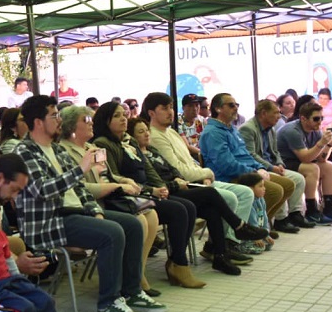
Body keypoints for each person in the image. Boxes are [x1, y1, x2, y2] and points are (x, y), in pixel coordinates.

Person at [14, 95, 162, 312]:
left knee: (131, 224)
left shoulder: (57, 151)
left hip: (74, 213)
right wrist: (80, 169)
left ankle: (131, 291)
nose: (58, 120)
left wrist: (94, 210)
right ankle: (108, 303)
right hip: (49, 221)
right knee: (112, 232)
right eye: (53, 115)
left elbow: (80, 189)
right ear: (38, 122)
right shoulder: (24, 152)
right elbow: (42, 190)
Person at [131, 118, 268, 270]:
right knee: (210, 194)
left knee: (212, 209)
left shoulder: (152, 150)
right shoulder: (138, 155)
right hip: (167, 192)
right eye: (141, 132)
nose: (146, 134)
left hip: (180, 185)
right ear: (132, 136)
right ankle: (238, 227)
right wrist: (177, 182)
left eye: (146, 130)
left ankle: (219, 256)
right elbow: (155, 181)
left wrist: (179, 178)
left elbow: (173, 168)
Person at [92, 102, 202, 289]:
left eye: (124, 115)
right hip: (125, 197)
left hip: (146, 191)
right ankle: (170, 266)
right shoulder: (102, 144)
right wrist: (151, 191)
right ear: (106, 120)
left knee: (188, 207)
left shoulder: (129, 140)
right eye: (117, 116)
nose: (123, 119)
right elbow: (114, 177)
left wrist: (161, 187)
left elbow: (148, 169)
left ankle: (177, 262)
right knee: (178, 210)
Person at [58, 105, 162, 288]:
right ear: (71, 127)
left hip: (110, 197)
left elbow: (109, 174)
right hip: (92, 203)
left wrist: (125, 180)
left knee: (151, 214)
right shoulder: (64, 151)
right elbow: (79, 188)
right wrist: (116, 186)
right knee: (138, 221)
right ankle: (127, 279)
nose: (92, 123)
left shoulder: (93, 147)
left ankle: (138, 273)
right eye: (86, 120)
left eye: (91, 119)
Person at [199, 93, 296, 233]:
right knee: (275, 190)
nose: (235, 108)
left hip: (245, 171)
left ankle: (260, 224)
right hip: (228, 176)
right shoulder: (213, 132)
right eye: (231, 105)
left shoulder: (231, 129)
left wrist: (260, 167)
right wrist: (253, 172)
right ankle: (249, 228)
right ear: (218, 109)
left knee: (288, 185)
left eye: (236, 105)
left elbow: (246, 155)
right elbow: (226, 165)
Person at [239, 99, 311, 232]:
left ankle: (295, 214)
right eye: (276, 113)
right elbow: (250, 155)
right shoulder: (248, 129)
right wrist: (271, 168)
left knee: (298, 179)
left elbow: (275, 151)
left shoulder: (271, 129)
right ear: (264, 113)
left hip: (272, 166)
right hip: (257, 169)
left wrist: (279, 163)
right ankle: (280, 219)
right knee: (283, 183)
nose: (279, 116)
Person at [276, 101, 332, 225]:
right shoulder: (293, 131)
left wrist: (330, 143)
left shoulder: (315, 129)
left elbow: (322, 159)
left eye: (321, 118)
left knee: (329, 167)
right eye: (316, 118)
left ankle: (328, 209)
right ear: (303, 118)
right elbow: (305, 158)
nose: (320, 122)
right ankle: (312, 211)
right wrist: (321, 143)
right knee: (312, 168)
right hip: (283, 162)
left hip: (300, 161)